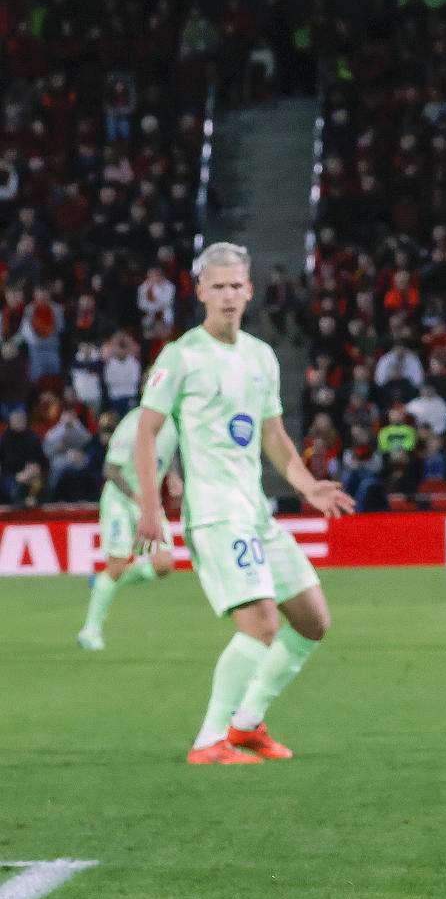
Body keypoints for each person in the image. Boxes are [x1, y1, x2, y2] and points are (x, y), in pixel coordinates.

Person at [133, 242, 356, 763]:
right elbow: (147, 434)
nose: (229, 295)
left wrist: (305, 484)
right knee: (260, 623)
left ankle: (247, 725)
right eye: (219, 287)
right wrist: (151, 507)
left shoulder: (260, 356)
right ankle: (209, 740)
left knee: (313, 620)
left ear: (250, 290)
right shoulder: (181, 356)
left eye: (237, 286)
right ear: (201, 292)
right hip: (214, 512)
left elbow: (273, 436)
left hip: (255, 510)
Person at [77, 408, 180, 649]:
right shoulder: (131, 425)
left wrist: (173, 475)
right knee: (117, 565)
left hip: (148, 501)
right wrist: (135, 496)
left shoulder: (173, 423)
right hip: (120, 502)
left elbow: (169, 453)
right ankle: (90, 630)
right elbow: (110, 470)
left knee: (163, 565)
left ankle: (106, 581)